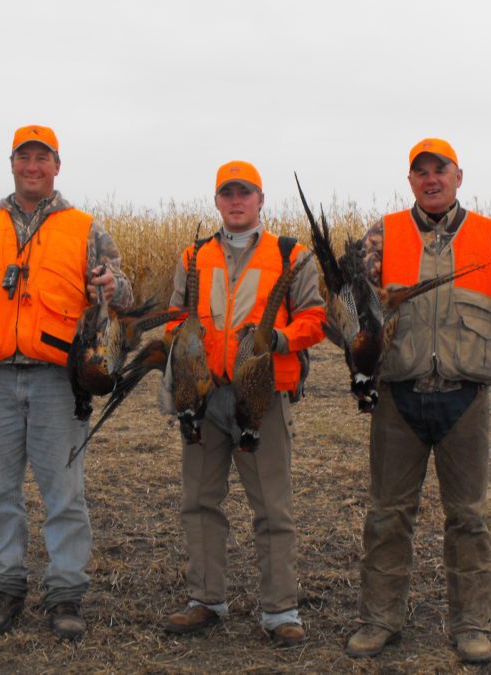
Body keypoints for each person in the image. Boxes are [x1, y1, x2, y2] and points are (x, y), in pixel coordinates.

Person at [344, 138, 491, 663]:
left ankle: (471, 626)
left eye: (440, 170)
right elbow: (354, 313)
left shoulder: (489, 238)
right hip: (399, 397)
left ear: (459, 176)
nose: (431, 179)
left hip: (466, 399)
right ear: (411, 181)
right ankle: (380, 620)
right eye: (421, 172)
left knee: (468, 518)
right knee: (388, 515)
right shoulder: (383, 234)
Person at [0, 124, 133, 640]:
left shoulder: (86, 229)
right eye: (24, 157)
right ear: (11, 163)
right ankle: (7, 588)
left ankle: (65, 595)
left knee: (64, 493)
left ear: (57, 166)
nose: (32, 167)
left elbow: (122, 293)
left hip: (60, 380)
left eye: (42, 158)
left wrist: (110, 284)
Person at [161, 161, 326, 646]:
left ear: (260, 200)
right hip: (206, 395)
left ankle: (280, 611)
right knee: (199, 501)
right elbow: (175, 317)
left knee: (272, 507)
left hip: (262, 396)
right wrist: (186, 352)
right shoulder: (193, 256)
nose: (236, 202)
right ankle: (205, 600)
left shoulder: (291, 254)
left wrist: (278, 337)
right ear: (217, 201)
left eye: (245, 193)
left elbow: (317, 319)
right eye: (227, 194)